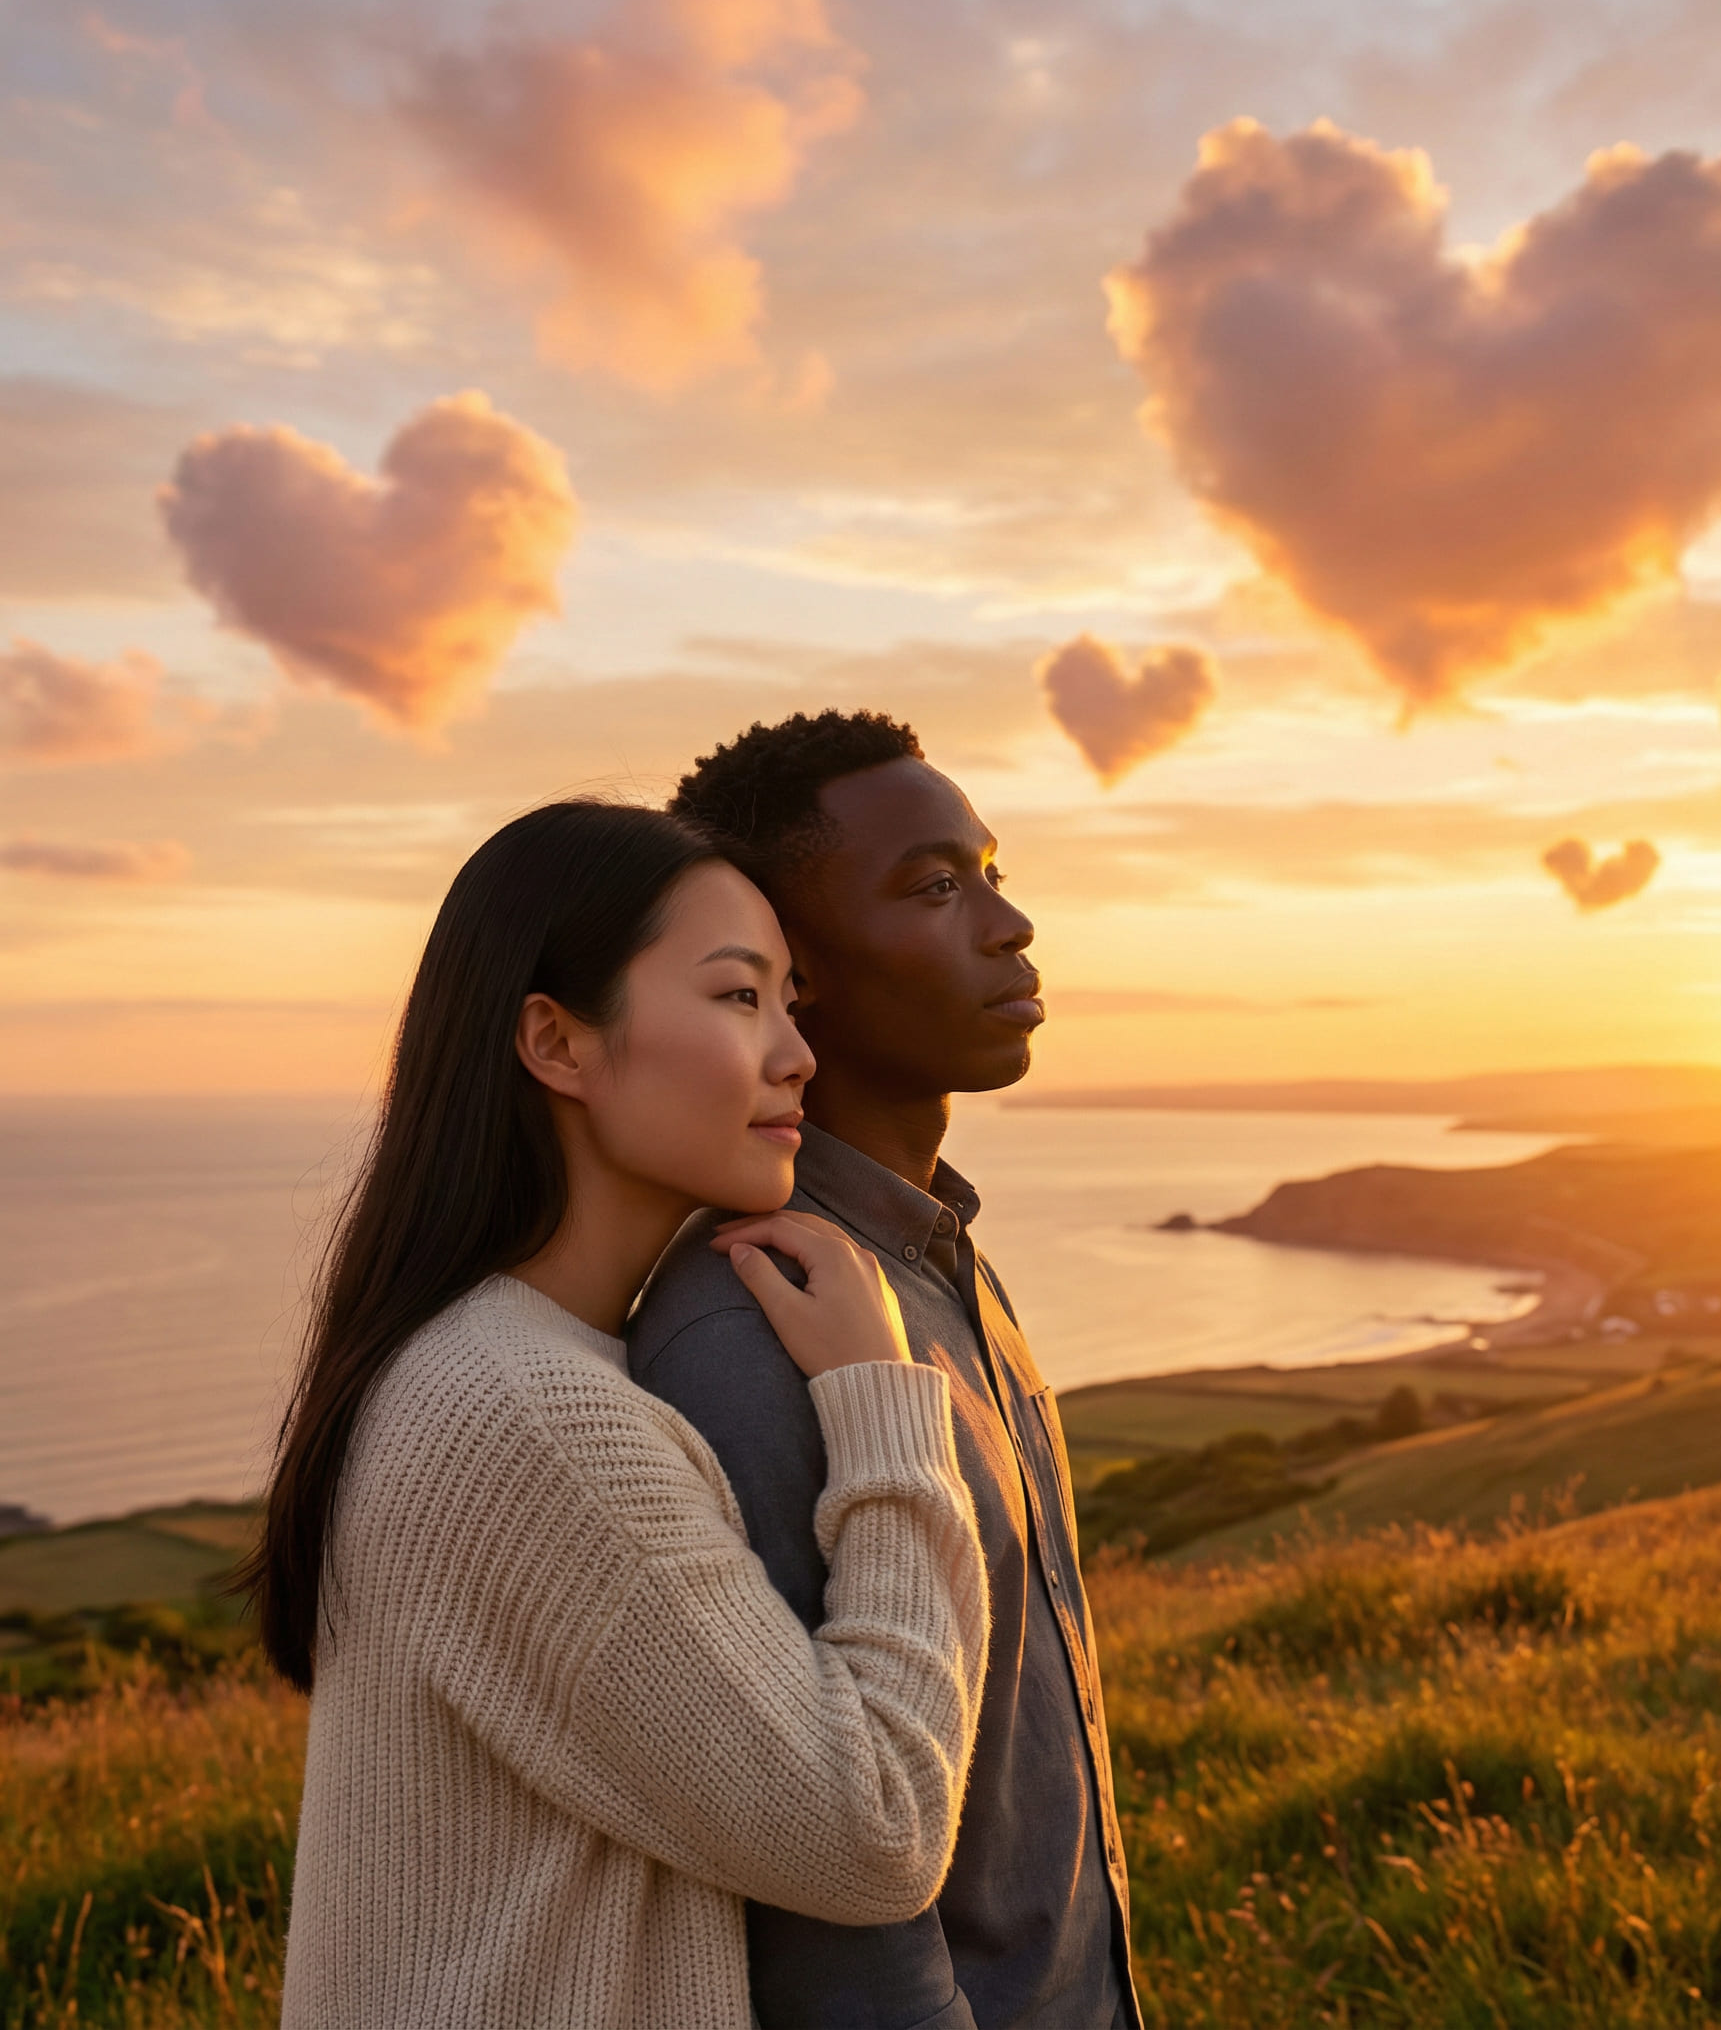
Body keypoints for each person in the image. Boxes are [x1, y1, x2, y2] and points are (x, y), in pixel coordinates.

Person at [243, 800, 990, 2029]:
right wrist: (885, 1404)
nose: (797, 1052)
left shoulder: (493, 1364)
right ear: (557, 1040)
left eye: (790, 1001)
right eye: (739, 996)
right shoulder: (525, 1416)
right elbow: (877, 1831)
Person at [629, 713, 1141, 2030]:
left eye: (990, 869)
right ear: (793, 978)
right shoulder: (751, 1332)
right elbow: (830, 1883)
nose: (1009, 922)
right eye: (933, 886)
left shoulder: (942, 1262)